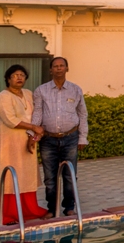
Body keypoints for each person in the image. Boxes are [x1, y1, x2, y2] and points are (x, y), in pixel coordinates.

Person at [0, 64, 50, 226]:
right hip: (7, 143)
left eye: (22, 75)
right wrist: (33, 127)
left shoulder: (28, 94)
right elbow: (10, 120)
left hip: (28, 140)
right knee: (8, 174)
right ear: (8, 79)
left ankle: (29, 210)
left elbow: (36, 115)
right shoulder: (3, 97)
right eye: (15, 75)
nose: (19, 78)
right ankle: (6, 215)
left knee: (25, 174)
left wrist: (34, 135)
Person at [32, 56, 88, 217]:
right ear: (51, 70)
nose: (58, 68)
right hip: (48, 140)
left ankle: (69, 207)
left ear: (67, 68)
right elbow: (37, 114)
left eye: (61, 65)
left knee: (70, 176)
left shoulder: (75, 90)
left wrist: (83, 137)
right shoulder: (41, 90)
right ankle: (52, 208)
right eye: (55, 66)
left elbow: (83, 114)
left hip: (70, 138)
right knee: (50, 178)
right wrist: (32, 134)